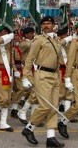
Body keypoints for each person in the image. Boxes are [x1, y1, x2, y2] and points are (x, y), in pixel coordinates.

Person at [21, 16, 64, 147]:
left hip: (54, 75)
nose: (46, 26)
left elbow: (59, 60)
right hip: (42, 74)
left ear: (53, 25)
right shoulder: (39, 40)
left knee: (54, 107)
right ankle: (29, 128)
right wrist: (26, 77)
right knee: (45, 106)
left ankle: (50, 137)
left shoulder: (56, 40)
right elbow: (29, 59)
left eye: (49, 23)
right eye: (44, 24)